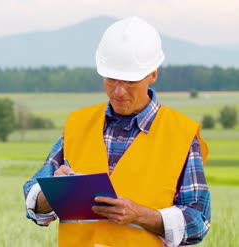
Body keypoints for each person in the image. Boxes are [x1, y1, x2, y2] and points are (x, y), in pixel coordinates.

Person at [22, 16, 210, 247]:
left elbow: (199, 221)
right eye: (111, 79)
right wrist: (51, 195)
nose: (119, 91)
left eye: (130, 81)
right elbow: (33, 195)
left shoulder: (181, 134)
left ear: (153, 74)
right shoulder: (78, 124)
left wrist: (141, 215)